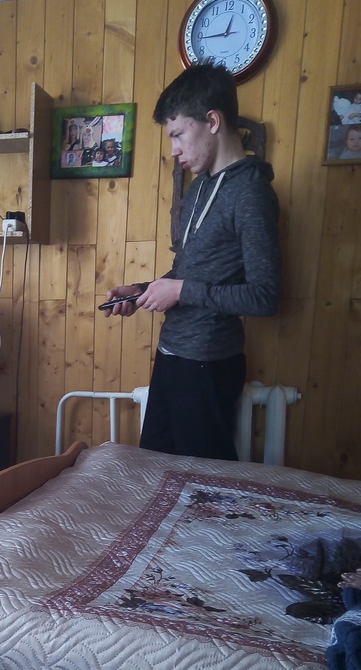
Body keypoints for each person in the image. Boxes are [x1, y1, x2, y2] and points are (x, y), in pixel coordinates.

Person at [105, 62, 281, 461]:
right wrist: (143, 291)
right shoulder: (199, 188)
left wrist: (181, 290)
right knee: (155, 469)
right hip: (172, 355)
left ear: (213, 121)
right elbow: (190, 271)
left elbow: (265, 296)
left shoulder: (251, 193)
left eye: (178, 134)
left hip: (208, 363)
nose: (173, 149)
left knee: (203, 484)